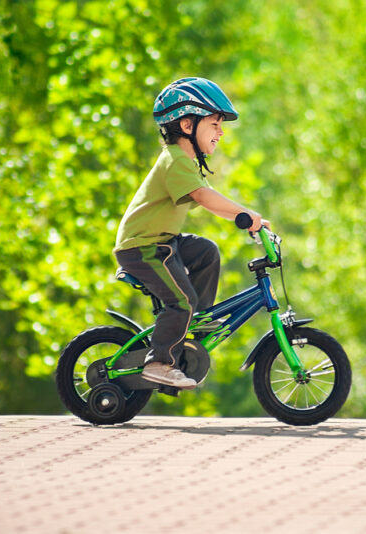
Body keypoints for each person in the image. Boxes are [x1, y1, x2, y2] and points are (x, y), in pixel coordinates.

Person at [113, 77, 268, 390]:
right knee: (181, 301)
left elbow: (213, 202)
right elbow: (205, 198)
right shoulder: (175, 160)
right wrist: (247, 214)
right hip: (143, 248)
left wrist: (248, 219)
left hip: (161, 243)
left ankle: (197, 322)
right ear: (187, 125)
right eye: (215, 124)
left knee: (206, 251)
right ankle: (159, 362)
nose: (220, 132)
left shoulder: (184, 162)